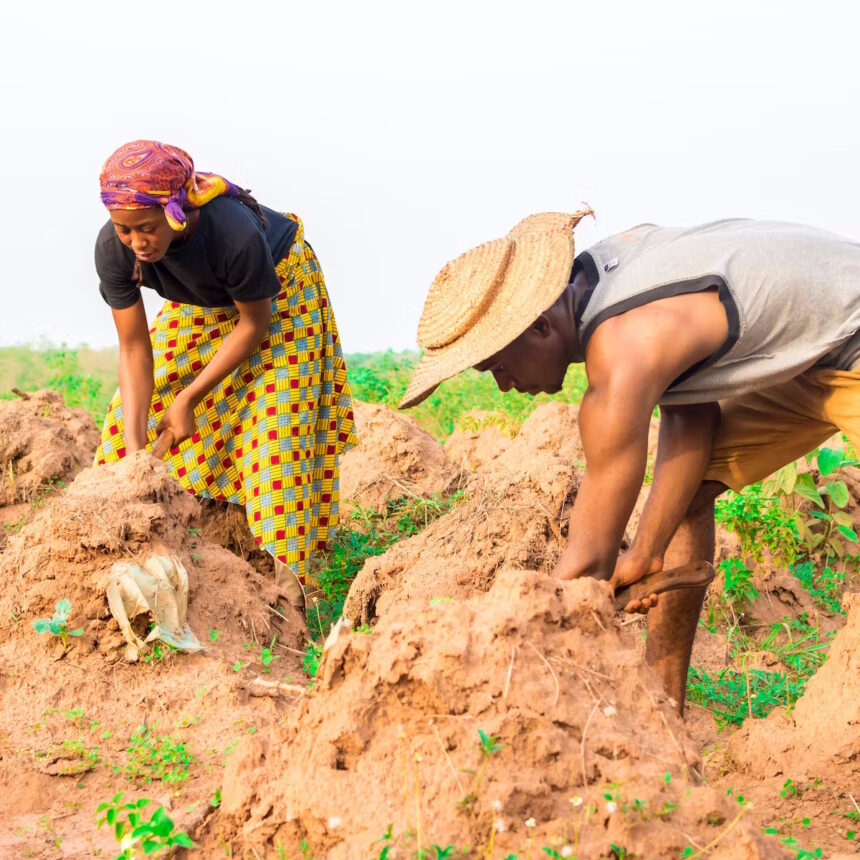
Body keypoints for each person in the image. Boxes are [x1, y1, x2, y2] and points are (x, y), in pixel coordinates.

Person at [399, 211, 860, 713]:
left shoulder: (622, 347)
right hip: (807, 354)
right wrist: (646, 551)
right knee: (688, 494)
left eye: (499, 365)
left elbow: (589, 559)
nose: (504, 384)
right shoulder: (605, 270)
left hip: (848, 336)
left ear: (539, 326)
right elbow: (692, 414)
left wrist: (508, 647)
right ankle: (664, 710)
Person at [94, 139, 357, 608]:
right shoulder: (115, 250)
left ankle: (290, 601)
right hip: (204, 304)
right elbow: (135, 347)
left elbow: (254, 324)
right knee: (121, 432)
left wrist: (189, 399)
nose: (137, 242)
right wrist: (138, 459)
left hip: (279, 296)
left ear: (176, 212)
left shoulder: (230, 233)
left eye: (148, 228)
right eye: (125, 229)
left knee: (278, 442)